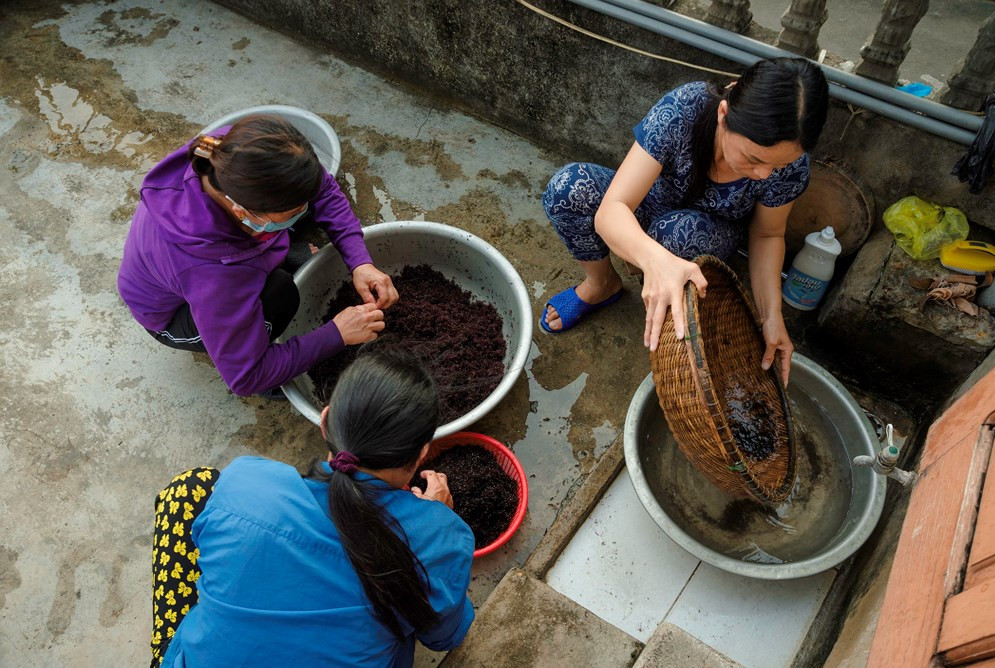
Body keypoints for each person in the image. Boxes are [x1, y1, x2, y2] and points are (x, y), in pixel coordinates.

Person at [149, 348, 475, 667]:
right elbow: (443, 637)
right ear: (421, 455)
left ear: (325, 420)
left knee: (191, 488)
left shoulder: (245, 483)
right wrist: (437, 520)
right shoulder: (438, 540)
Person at [541, 57, 830, 385]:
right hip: (650, 204)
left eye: (777, 166)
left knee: (676, 234)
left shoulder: (790, 166)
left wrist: (771, 315)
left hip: (704, 232)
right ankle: (601, 284)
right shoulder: (683, 109)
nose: (765, 174)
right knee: (567, 188)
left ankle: (666, 303)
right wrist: (654, 260)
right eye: (753, 159)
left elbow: (767, 235)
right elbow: (613, 208)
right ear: (724, 116)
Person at [117, 115, 398, 398]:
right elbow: (246, 378)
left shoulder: (230, 152)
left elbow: (323, 189)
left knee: (289, 226)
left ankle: (282, 251)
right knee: (280, 294)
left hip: (221, 259)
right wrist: (336, 334)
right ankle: (277, 386)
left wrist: (360, 261)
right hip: (173, 316)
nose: (305, 208)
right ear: (242, 211)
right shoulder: (216, 275)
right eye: (293, 210)